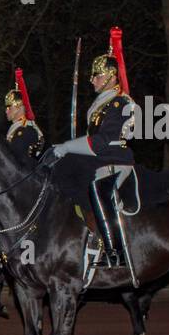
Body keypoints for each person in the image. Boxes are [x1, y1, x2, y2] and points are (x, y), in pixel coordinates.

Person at [45, 30, 137, 268]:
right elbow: (90, 140)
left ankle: (114, 250)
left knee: (99, 189)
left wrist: (67, 147)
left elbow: (101, 141)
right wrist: (63, 150)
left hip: (114, 158)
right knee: (61, 174)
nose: (92, 80)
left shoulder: (121, 103)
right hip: (101, 157)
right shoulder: (102, 103)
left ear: (110, 76)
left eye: (96, 76)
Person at [4, 68, 45, 163]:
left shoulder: (26, 130)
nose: (6, 111)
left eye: (9, 108)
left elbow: (14, 162)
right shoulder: (16, 130)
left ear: (18, 107)